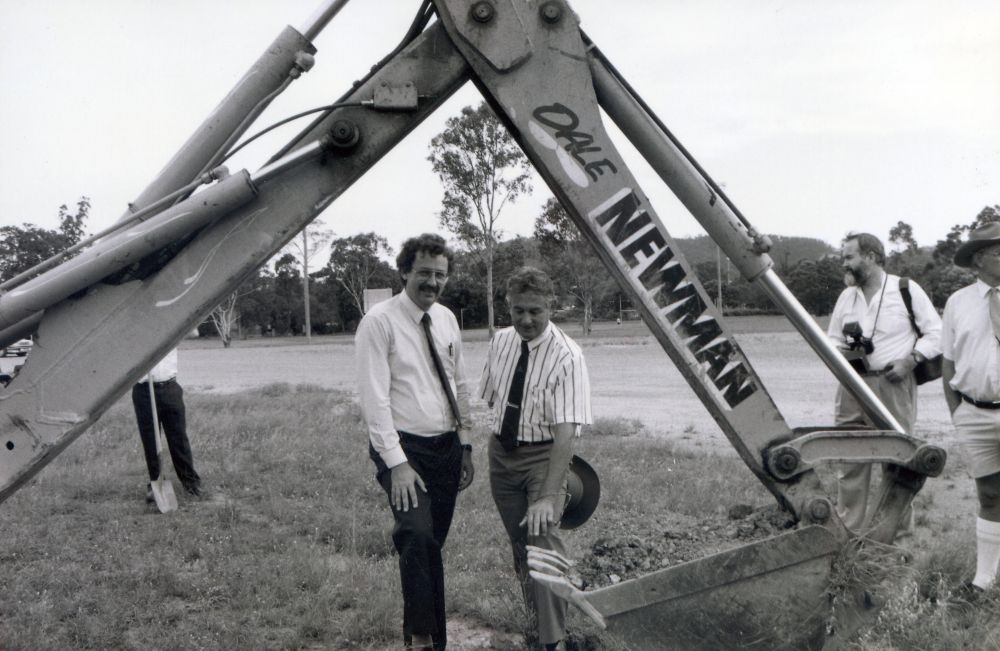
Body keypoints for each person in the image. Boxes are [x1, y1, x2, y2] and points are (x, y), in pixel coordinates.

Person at [356, 233, 473, 651]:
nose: (432, 282)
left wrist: (465, 444)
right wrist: (397, 463)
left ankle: (433, 638)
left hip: (446, 447)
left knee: (432, 543)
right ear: (405, 271)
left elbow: (459, 382)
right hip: (403, 449)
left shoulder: (446, 319)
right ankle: (421, 636)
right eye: (424, 272)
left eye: (440, 275)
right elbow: (374, 398)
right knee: (416, 533)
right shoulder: (379, 322)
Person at [479, 267, 592, 651]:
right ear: (508, 308)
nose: (526, 320)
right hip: (503, 455)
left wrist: (547, 494)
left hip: (544, 457)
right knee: (521, 547)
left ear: (551, 307)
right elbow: (493, 398)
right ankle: (537, 626)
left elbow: (565, 435)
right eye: (518, 311)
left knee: (542, 543)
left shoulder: (567, 357)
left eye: (535, 311)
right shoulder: (501, 342)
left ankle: (554, 643)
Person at [827, 232, 941, 533]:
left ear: (872, 257)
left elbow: (936, 334)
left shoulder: (906, 289)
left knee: (898, 459)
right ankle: (848, 533)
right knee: (850, 458)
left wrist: (910, 361)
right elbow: (833, 339)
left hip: (892, 384)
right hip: (851, 386)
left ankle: (895, 537)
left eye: (849, 257)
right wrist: (847, 357)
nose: (844, 264)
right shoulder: (846, 296)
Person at [942, 221, 1000, 592]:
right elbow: (948, 363)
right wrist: (958, 413)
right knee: (991, 495)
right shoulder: (957, 303)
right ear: (979, 260)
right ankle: (984, 579)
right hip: (974, 414)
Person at [132, 347, 202, 501]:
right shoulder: (137, 334)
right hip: (144, 390)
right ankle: (156, 484)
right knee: (150, 441)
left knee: (179, 438)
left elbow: (193, 332)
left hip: (170, 387)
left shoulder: (170, 330)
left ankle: (191, 484)